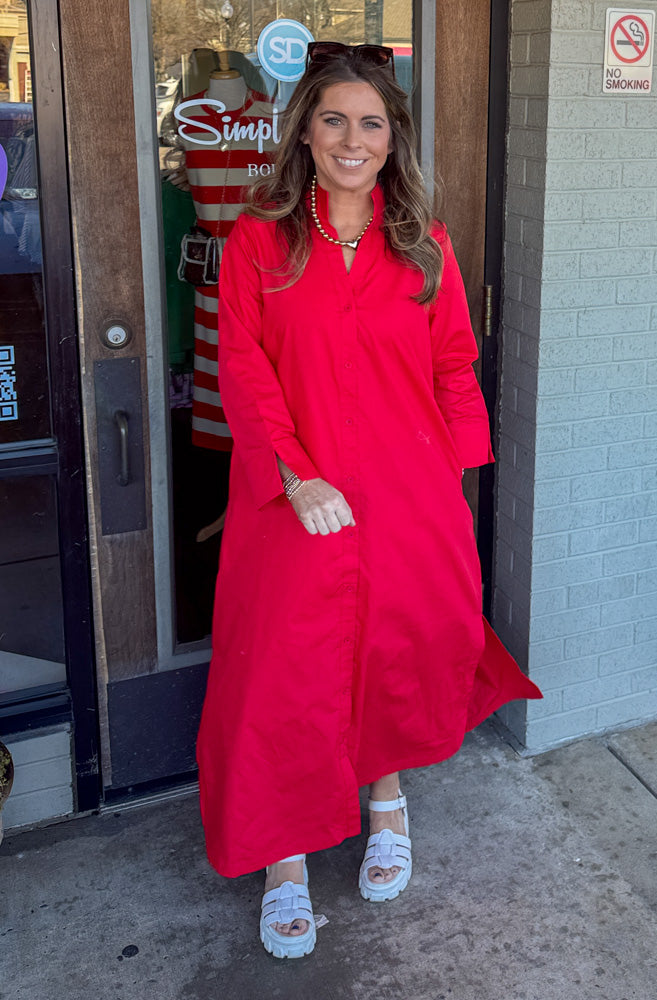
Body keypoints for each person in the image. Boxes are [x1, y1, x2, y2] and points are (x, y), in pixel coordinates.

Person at [196, 41, 542, 959]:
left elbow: (453, 364)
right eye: (335, 120)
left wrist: (457, 478)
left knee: (389, 646)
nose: (354, 140)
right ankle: (282, 861)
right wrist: (294, 473)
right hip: (292, 498)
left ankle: (384, 801)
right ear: (305, 132)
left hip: (405, 493)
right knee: (284, 669)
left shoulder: (420, 247)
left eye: (372, 124)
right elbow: (244, 369)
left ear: (393, 143)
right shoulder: (259, 241)